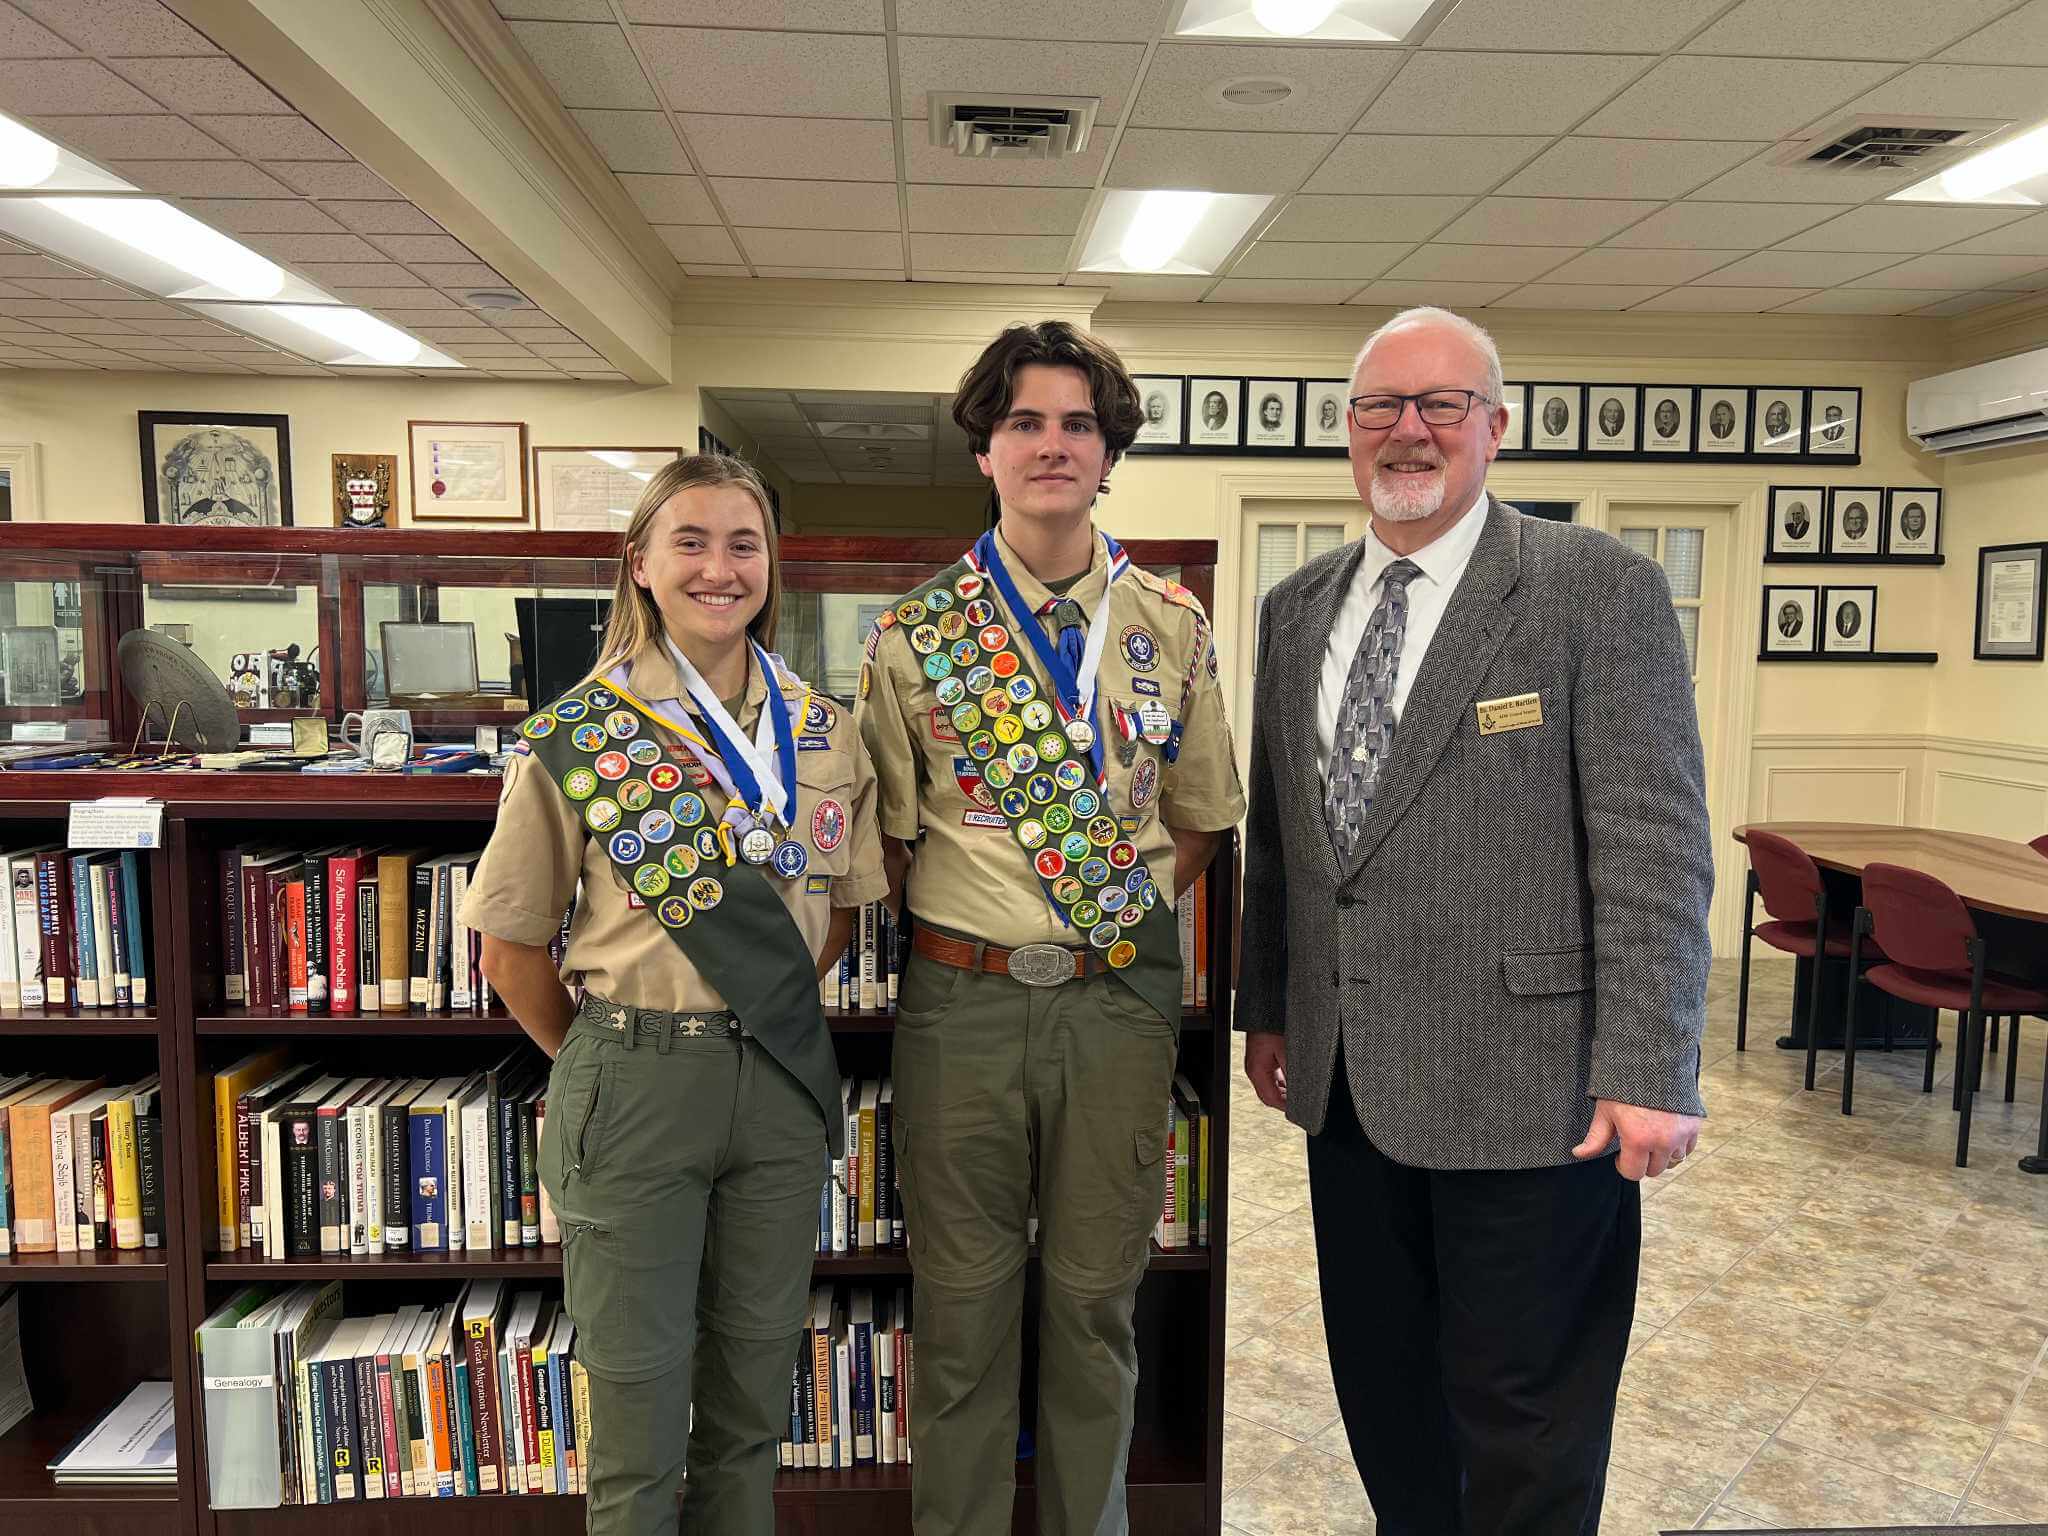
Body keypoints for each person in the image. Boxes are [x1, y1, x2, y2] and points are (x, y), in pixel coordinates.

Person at [1236, 307, 1712, 1536]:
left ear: (1494, 426)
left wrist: (1651, 1067)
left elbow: (1655, 846)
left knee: (1524, 1423)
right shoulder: (1296, 608)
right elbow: (1283, 838)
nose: (1407, 430)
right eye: (1378, 407)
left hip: (1531, 1098)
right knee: (1385, 1398)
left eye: (1440, 404)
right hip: (1345, 1089)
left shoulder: (1592, 591)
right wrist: (1265, 1007)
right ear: (1345, 435)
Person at [856, 320, 1244, 1536]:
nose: (1050, 444)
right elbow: (893, 841)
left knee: (1092, 1306)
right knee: (963, 1315)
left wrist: (1103, 919)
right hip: (960, 1006)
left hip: (1112, 1007)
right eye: (1024, 420)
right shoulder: (914, 636)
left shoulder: (1169, 625)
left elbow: (1198, 821)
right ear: (984, 446)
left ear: (1106, 447)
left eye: (1077, 422)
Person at [466, 454, 885, 1536]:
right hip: (636, 1073)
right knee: (640, 1432)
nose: (718, 566)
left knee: (750, 1413)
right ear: (640, 566)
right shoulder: (580, 733)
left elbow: (836, 913)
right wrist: (609, 1053)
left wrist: (758, 1001)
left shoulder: (824, 731)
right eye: (689, 542)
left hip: (780, 1081)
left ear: (771, 566)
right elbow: (510, 948)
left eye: (742, 543)